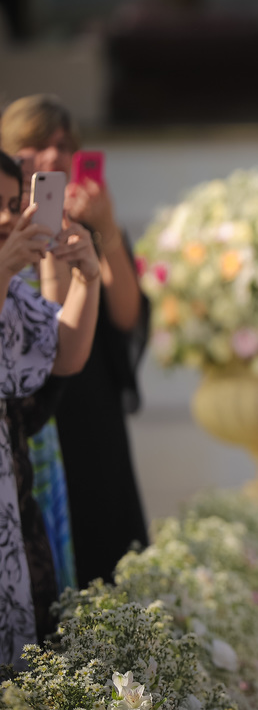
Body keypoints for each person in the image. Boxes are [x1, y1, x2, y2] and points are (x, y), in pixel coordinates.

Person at [0, 94, 149, 586]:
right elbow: (47, 328)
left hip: (90, 397)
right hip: (33, 411)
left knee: (107, 537)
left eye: (64, 145)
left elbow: (128, 317)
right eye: (35, 144)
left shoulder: (90, 222)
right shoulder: (9, 232)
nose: (52, 155)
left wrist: (104, 229)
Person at [0, 150, 100, 663]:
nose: (7, 217)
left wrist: (87, 278)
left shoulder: (14, 291)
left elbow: (65, 356)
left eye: (12, 204)